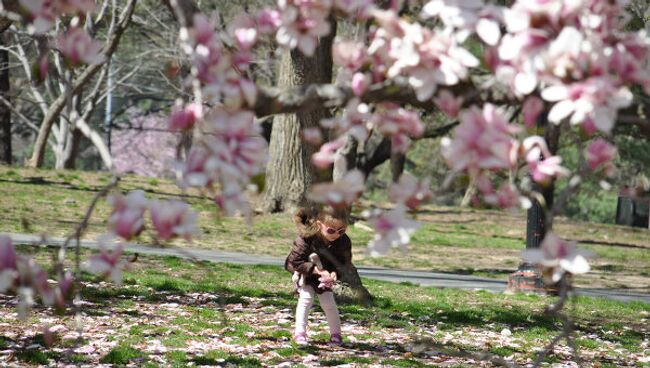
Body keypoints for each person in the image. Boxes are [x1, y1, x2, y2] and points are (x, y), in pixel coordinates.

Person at [284, 206, 352, 346]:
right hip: (304, 273)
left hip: (325, 277)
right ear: (320, 224)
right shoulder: (306, 238)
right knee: (306, 298)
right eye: (331, 230)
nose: (336, 234)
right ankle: (299, 333)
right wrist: (317, 271)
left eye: (341, 230)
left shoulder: (343, 241)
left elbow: (343, 263)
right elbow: (295, 261)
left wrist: (334, 274)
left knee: (329, 303)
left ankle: (336, 334)